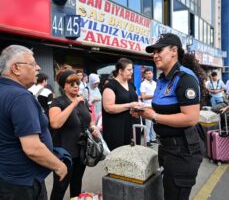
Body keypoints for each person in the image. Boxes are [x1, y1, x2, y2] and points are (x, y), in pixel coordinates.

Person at [133, 33, 205, 200]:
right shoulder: (163, 79)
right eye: (153, 52)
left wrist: (154, 116)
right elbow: (165, 108)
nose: (155, 55)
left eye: (159, 50)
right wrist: (144, 110)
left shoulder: (185, 78)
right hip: (167, 148)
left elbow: (191, 118)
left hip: (183, 150)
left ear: (174, 51)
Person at [0, 45, 67, 200]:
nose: (38, 67)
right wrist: (58, 165)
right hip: (22, 184)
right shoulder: (20, 97)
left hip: (7, 177)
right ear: (16, 68)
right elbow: (32, 148)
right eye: (33, 64)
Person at [49, 69, 99, 199]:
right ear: (63, 86)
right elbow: (55, 123)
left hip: (81, 150)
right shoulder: (57, 102)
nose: (76, 86)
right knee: (60, 187)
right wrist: (73, 103)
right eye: (71, 83)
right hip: (64, 153)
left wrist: (93, 127)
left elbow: (90, 119)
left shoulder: (83, 101)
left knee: (76, 185)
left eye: (77, 82)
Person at [102, 58, 141, 151]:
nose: (132, 72)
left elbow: (135, 100)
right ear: (120, 71)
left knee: (133, 155)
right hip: (117, 128)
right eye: (129, 69)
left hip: (133, 125)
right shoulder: (111, 86)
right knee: (119, 158)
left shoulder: (131, 85)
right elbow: (108, 108)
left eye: (132, 69)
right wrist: (130, 105)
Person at [140, 68, 157, 146]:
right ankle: (147, 141)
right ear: (144, 75)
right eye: (146, 73)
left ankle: (153, 138)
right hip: (147, 106)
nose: (148, 75)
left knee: (154, 123)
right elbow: (143, 96)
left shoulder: (155, 83)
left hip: (155, 105)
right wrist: (154, 96)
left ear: (152, 74)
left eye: (149, 73)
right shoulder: (143, 84)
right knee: (148, 124)